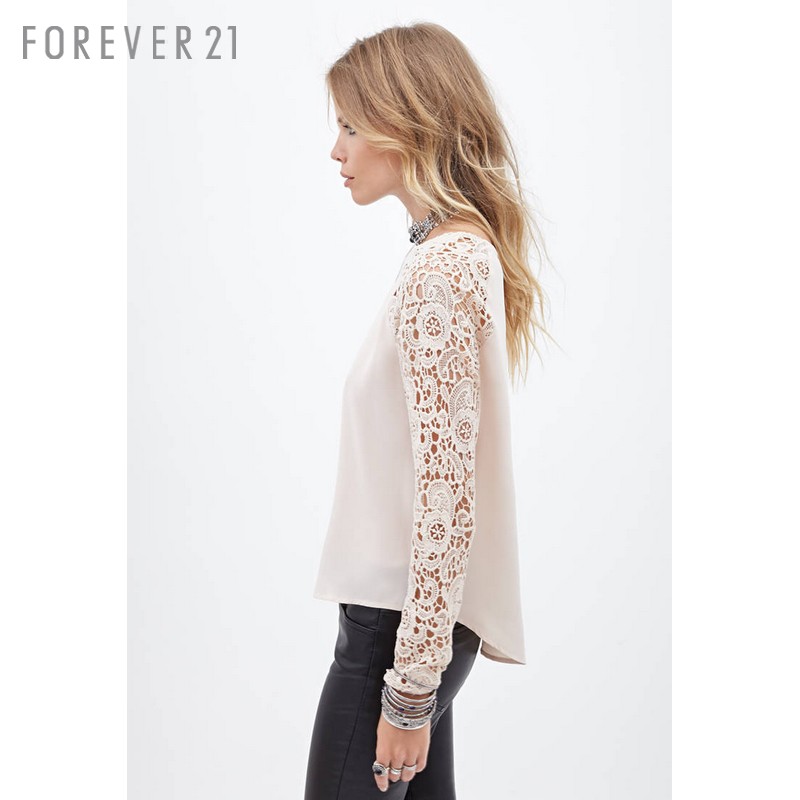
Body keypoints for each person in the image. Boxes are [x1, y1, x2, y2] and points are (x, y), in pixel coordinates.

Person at [304, 21, 553, 799]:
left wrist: (410, 688)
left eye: (351, 126)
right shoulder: (455, 252)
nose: (336, 150)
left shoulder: (444, 267)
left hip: (394, 634)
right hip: (414, 628)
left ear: (405, 124)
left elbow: (446, 493)